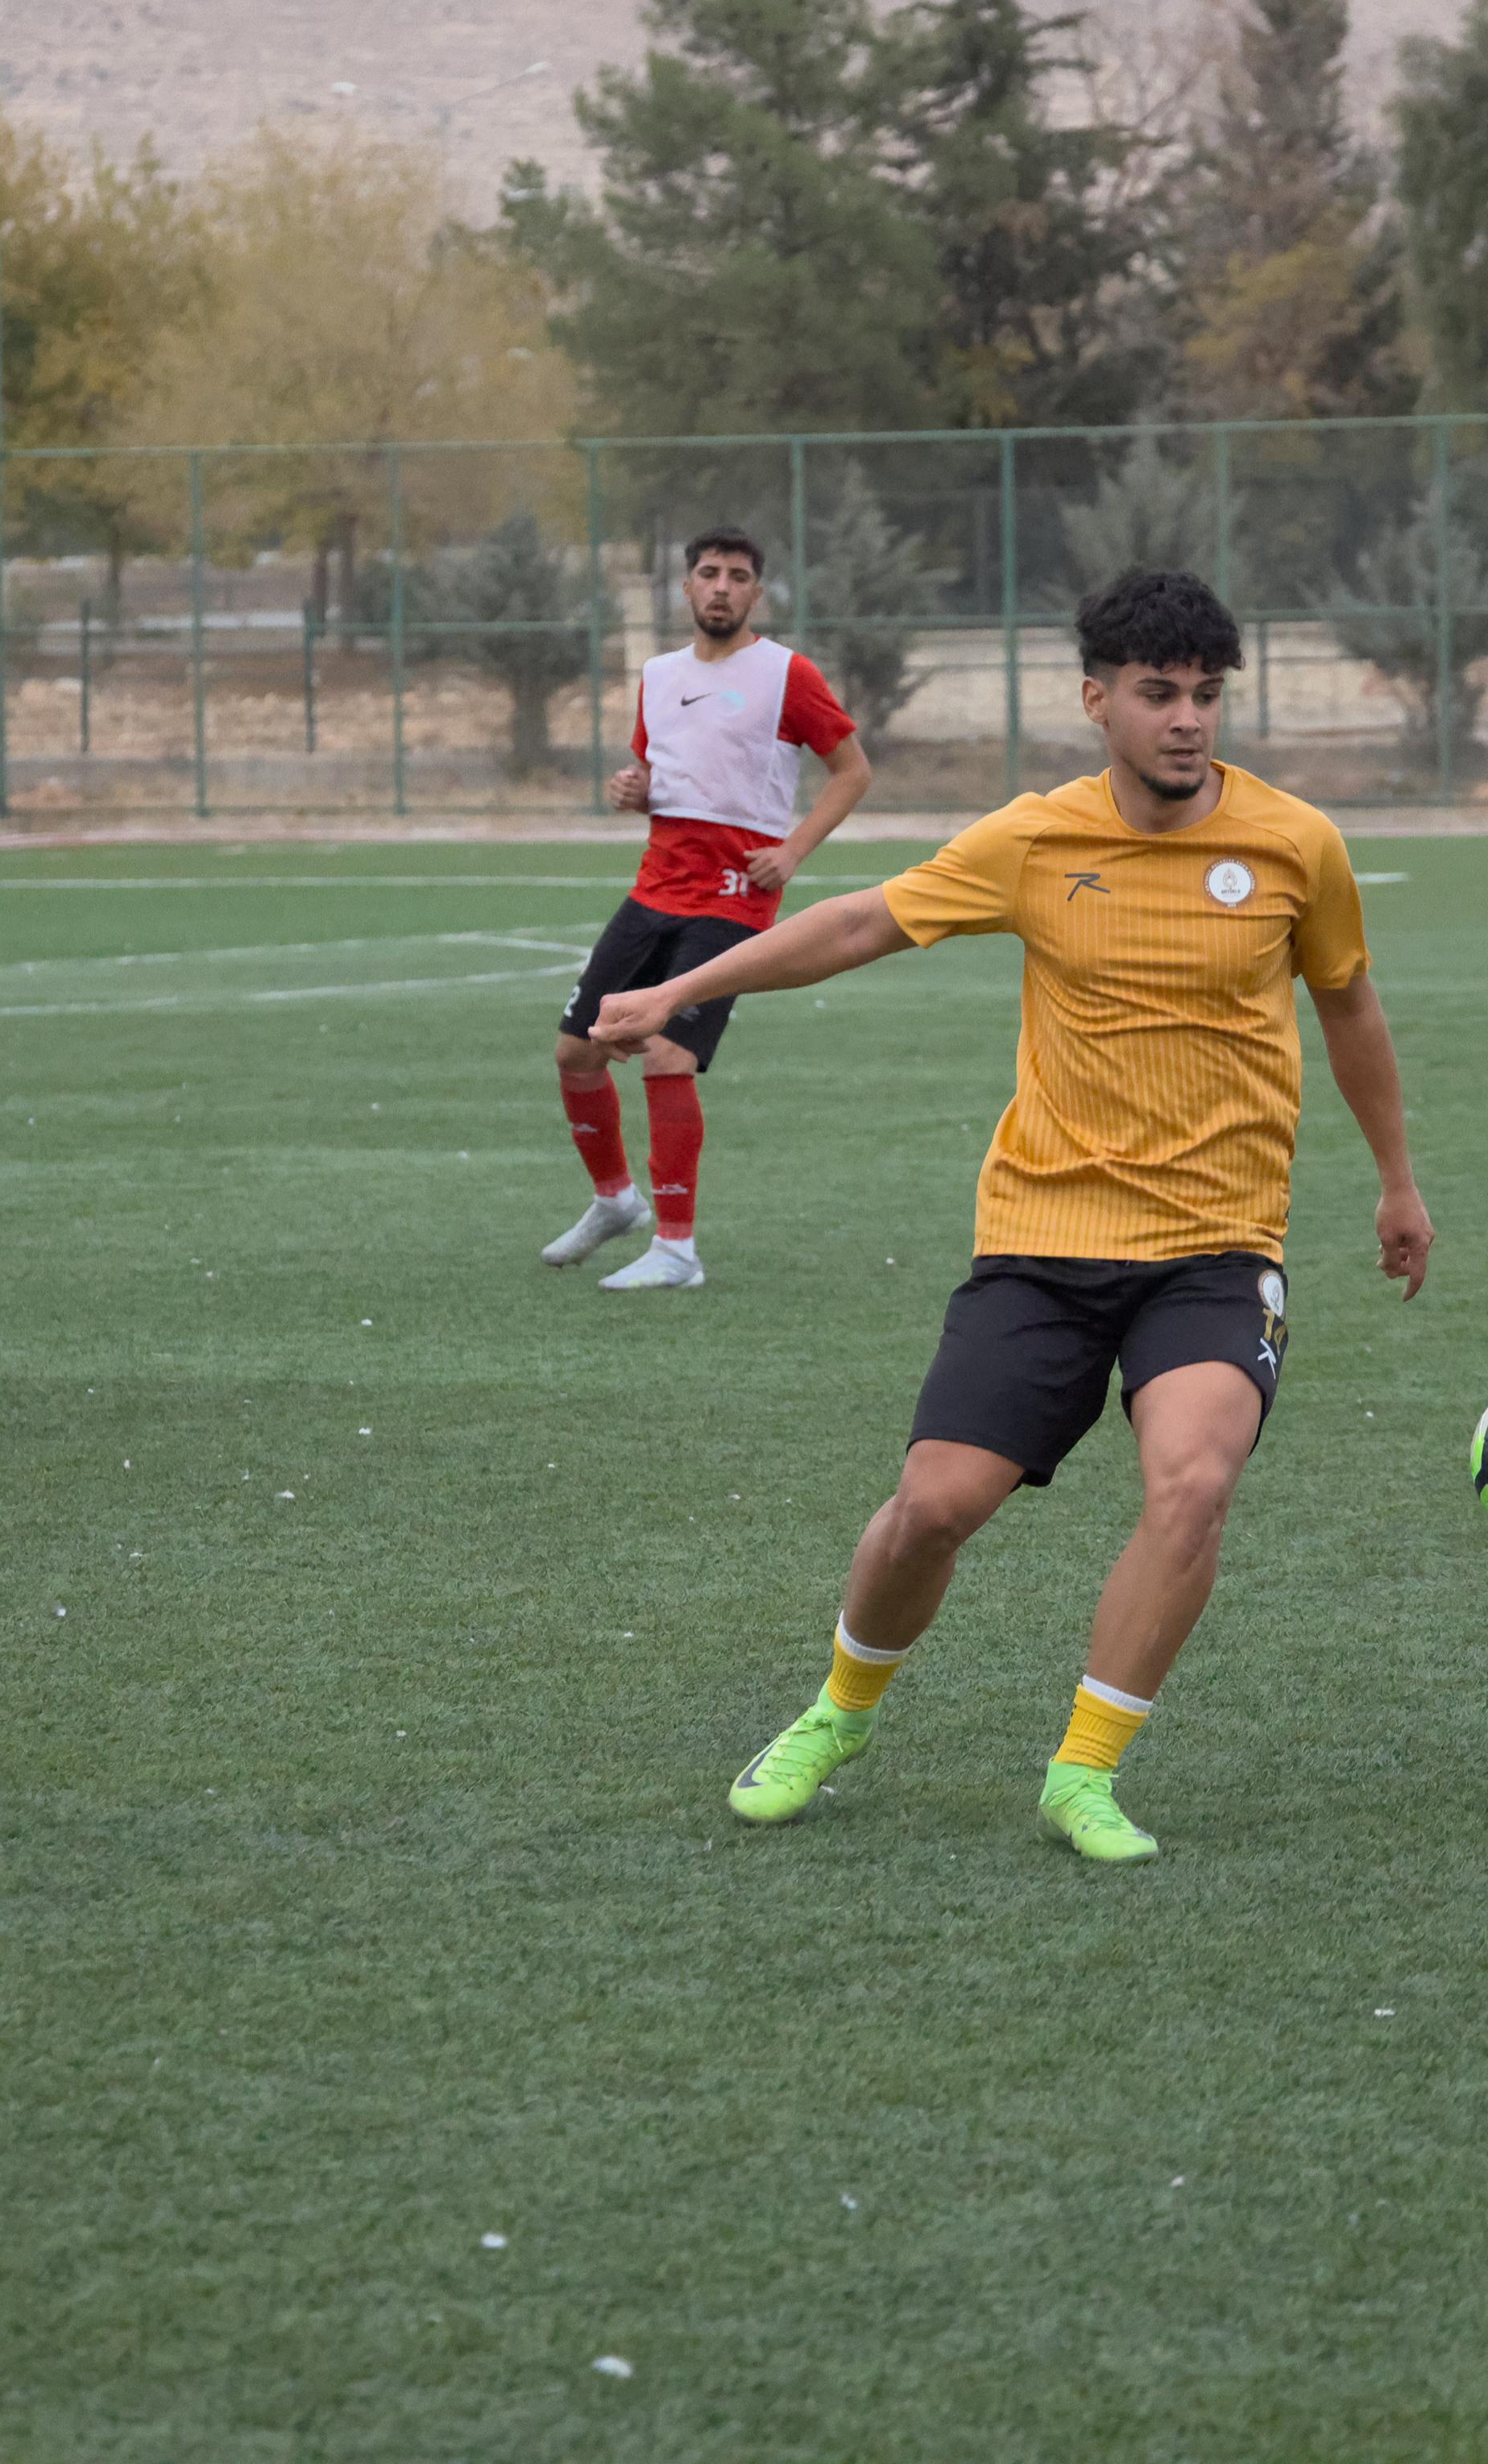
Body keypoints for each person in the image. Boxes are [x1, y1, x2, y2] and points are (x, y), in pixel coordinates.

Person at [595, 568, 1432, 1863]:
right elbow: (860, 923)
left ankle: (1084, 1773)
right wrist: (677, 994)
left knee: (1193, 1484)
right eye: (1158, 694)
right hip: (1045, 1239)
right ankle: (837, 1714)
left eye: (1207, 695)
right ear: (1097, 701)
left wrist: (1396, 1181)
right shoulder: (1036, 841)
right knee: (933, 1508)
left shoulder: (1295, 845)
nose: (1188, 720)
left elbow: (1350, 1006)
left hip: (1216, 1247)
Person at [543, 525, 874, 1290]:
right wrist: (633, 791)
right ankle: (614, 1200)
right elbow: (657, 777)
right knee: (577, 1053)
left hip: (733, 900)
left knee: (668, 1053)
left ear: (757, 593)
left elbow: (853, 772)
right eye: (709, 573)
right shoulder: (659, 675)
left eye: (738, 576)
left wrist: (792, 852)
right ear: (688, 586)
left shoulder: (787, 673)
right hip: (654, 887)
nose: (722, 587)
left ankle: (677, 1250)